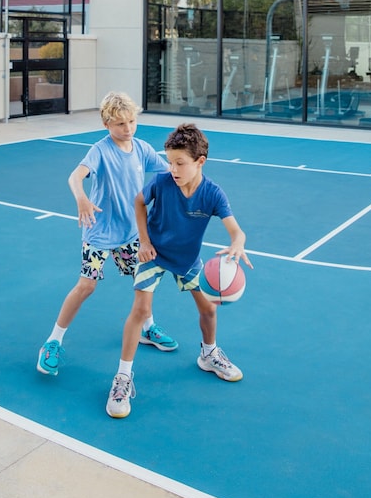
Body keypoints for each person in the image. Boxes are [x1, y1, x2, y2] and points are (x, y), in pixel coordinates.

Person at [106, 122, 253, 419]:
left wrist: (237, 244)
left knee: (209, 310)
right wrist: (144, 241)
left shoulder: (212, 194)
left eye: (180, 163)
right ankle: (122, 377)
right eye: (170, 161)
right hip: (155, 254)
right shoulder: (161, 183)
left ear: (200, 162)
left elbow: (237, 232)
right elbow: (138, 201)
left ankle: (209, 354)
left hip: (187, 260)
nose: (173, 168)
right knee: (140, 309)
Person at [37, 91, 177, 377]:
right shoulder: (100, 151)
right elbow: (75, 177)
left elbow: (167, 174)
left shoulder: (141, 148)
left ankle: (147, 329)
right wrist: (81, 199)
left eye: (131, 122)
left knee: (144, 282)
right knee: (86, 286)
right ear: (106, 124)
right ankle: (52, 342)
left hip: (131, 234)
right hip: (99, 234)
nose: (127, 129)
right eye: (120, 124)